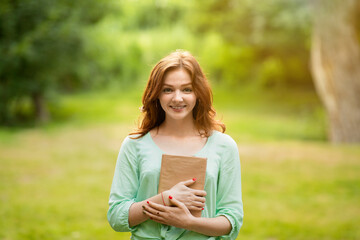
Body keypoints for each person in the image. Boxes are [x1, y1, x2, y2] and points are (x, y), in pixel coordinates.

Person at [107, 50, 243, 240]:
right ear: (156, 94)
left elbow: (232, 220)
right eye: (168, 89)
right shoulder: (134, 145)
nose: (177, 98)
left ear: (198, 93)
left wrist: (188, 222)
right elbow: (116, 217)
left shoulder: (224, 146)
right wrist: (166, 198)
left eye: (186, 89)